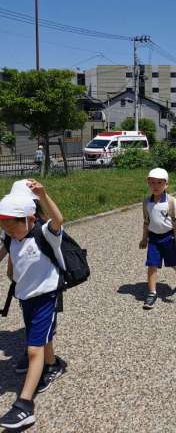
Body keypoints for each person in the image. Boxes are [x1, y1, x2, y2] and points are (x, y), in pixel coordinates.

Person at [0, 181, 67, 430]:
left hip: (45, 297)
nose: (9, 231)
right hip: (25, 297)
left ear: (30, 218)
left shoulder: (45, 233)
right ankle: (53, 364)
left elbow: (58, 220)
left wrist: (44, 195)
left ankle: (25, 405)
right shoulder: (11, 237)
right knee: (39, 337)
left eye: (13, 225)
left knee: (33, 348)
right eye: (4, 226)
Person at [140, 168, 176, 310]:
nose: (155, 186)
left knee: (174, 263)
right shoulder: (147, 202)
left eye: (159, 183)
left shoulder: (171, 201)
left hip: (169, 238)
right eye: (152, 182)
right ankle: (152, 293)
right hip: (154, 239)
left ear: (166, 184)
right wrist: (144, 238)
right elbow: (146, 222)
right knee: (152, 265)